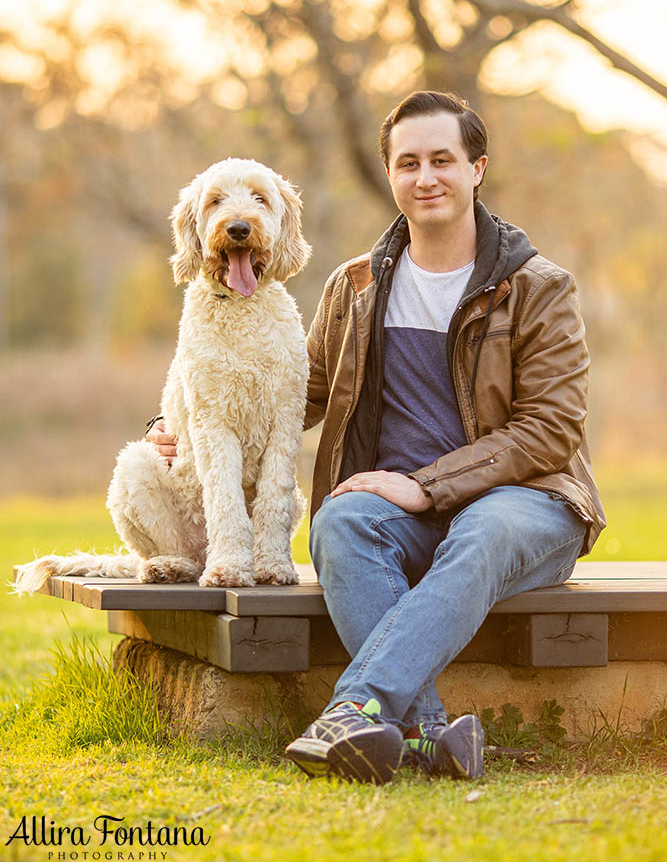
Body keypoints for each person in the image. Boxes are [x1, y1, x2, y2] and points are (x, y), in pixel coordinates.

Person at [149, 91, 606, 785]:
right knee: (340, 520)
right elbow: (291, 393)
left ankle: (354, 708)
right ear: (390, 174)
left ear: (476, 169)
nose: (426, 177)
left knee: (480, 531)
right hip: (394, 510)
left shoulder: (538, 288)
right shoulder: (354, 286)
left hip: (526, 501)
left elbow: (548, 428)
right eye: (408, 162)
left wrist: (425, 486)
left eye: (442, 161)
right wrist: (171, 422)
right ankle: (426, 736)